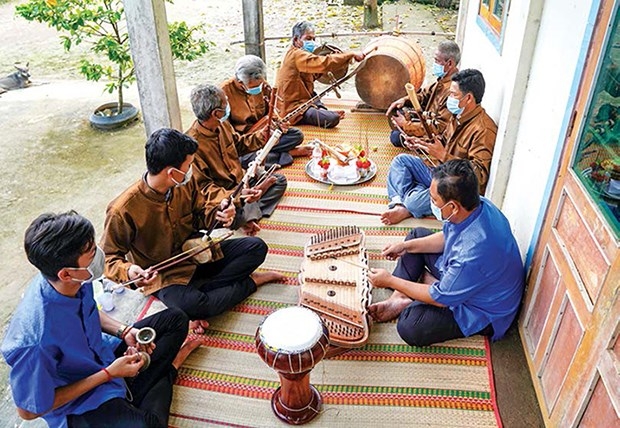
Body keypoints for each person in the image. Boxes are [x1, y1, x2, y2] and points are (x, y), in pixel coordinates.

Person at [1, 211, 202, 427]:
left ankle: (137, 382)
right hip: (81, 400)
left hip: (102, 355)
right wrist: (108, 374)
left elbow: (86, 311)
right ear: (66, 274)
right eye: (91, 253)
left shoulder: (77, 280)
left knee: (176, 319)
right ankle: (168, 370)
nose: (99, 255)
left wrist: (124, 331)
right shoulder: (34, 342)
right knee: (149, 424)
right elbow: (29, 411)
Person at [101, 128, 283, 335]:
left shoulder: (184, 185)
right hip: (165, 275)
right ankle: (249, 282)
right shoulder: (122, 209)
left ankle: (205, 290)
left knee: (256, 247)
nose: (191, 170)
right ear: (172, 172)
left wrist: (219, 215)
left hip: (198, 252)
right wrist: (128, 271)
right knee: (197, 306)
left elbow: (200, 215)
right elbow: (107, 258)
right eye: (188, 166)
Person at [369, 160, 524, 347]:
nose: (431, 202)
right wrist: (406, 247)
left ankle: (413, 291)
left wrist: (390, 280)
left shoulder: (472, 253)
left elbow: (440, 299)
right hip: (468, 275)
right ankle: (400, 297)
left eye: (434, 200)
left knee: (411, 325)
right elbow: (448, 236)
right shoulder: (478, 205)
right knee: (414, 239)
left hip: (482, 310)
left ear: (453, 207)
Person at [381, 69, 497, 225]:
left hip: (454, 188)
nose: (450, 98)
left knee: (414, 201)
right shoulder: (459, 115)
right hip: (438, 170)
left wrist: (444, 156)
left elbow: (478, 177)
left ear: (468, 98)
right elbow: (442, 140)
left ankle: (408, 203)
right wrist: (420, 144)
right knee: (400, 161)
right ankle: (400, 204)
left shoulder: (483, 130)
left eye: (453, 95)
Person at [187, 83, 287, 236]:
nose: (229, 105)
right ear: (216, 113)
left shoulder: (223, 125)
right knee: (224, 214)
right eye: (225, 102)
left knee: (279, 180)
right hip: (226, 195)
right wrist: (237, 197)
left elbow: (240, 144)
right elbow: (205, 188)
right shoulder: (192, 145)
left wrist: (265, 135)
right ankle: (244, 213)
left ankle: (246, 215)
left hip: (242, 181)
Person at [221, 54, 311, 169]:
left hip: (264, 134)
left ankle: (270, 155)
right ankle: (288, 154)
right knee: (239, 160)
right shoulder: (224, 93)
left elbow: (271, 111)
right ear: (240, 82)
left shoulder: (263, 86)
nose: (259, 88)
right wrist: (248, 141)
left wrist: (279, 123)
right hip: (244, 142)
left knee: (296, 135)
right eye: (253, 86)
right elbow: (225, 132)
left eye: (260, 84)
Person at [275, 20, 366, 128]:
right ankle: (321, 114)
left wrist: (339, 59)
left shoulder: (299, 53)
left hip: (304, 99)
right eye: (308, 39)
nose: (312, 42)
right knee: (332, 119)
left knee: (314, 95)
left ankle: (320, 112)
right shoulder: (296, 55)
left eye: (313, 39)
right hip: (293, 108)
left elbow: (315, 73)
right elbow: (323, 64)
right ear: (296, 40)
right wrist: (349, 54)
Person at [386, 41, 460, 146]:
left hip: (436, 135)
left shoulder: (452, 90)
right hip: (427, 119)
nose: (434, 63)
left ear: (450, 63)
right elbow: (424, 94)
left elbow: (439, 127)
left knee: (395, 137)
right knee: (400, 110)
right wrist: (405, 100)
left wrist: (406, 125)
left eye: (437, 61)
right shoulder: (444, 79)